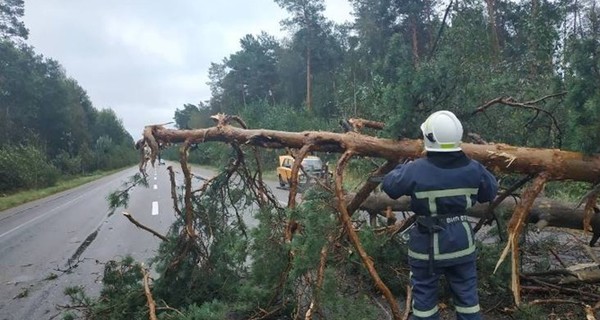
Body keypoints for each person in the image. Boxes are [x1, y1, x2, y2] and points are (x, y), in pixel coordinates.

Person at [382, 110, 498, 320]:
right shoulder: (474, 169)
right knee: (468, 301)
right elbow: (490, 191)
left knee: (424, 304)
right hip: (461, 243)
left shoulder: (416, 169)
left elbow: (390, 186)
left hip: (427, 245)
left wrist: (406, 165)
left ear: (428, 138)